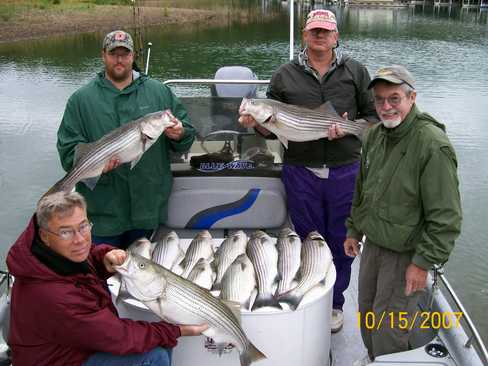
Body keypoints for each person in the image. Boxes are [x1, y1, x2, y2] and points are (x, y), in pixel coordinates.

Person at [238, 9, 378, 332]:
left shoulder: (355, 72)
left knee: (342, 239)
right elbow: (272, 130)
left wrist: (352, 128)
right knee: (308, 239)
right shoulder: (283, 76)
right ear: (304, 34)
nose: (319, 36)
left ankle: (335, 303)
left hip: (346, 170)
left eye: (325, 31)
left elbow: (372, 117)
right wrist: (256, 123)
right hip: (301, 171)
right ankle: (312, 296)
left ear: (336, 36)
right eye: (314, 30)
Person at [344, 65, 462, 365]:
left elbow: (446, 219)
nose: (386, 107)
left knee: (390, 328)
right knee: (367, 313)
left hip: (406, 255)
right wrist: (354, 230)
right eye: (379, 99)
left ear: (412, 97)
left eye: (394, 98)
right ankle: (375, 358)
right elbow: (363, 189)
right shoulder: (374, 137)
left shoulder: (432, 144)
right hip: (374, 247)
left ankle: (388, 359)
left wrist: (422, 263)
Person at [6, 191, 208, 366]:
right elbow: (119, 337)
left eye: (83, 226)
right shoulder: (52, 295)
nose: (80, 239)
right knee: (154, 356)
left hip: (73, 347)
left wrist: (104, 258)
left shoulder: (49, 256)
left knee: (159, 341)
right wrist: (177, 331)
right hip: (58, 361)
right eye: (66, 232)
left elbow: (83, 264)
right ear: (45, 236)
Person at [57, 30, 196, 249]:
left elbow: (187, 133)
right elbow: (67, 150)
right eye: (114, 54)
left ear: (133, 56)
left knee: (140, 272)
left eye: (125, 54)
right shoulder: (80, 100)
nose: (119, 59)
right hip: (102, 213)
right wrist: (96, 165)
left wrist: (180, 133)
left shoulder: (159, 92)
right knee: (102, 273)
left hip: (147, 208)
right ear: (103, 55)